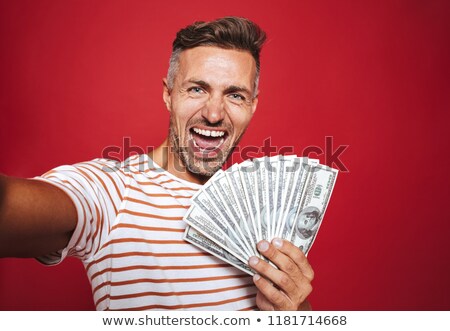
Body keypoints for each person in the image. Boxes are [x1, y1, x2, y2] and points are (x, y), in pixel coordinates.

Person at [0, 17, 314, 311]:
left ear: (252, 105)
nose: (214, 114)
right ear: (168, 94)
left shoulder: (263, 210)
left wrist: (297, 311)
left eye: (235, 95)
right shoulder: (113, 191)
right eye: (196, 89)